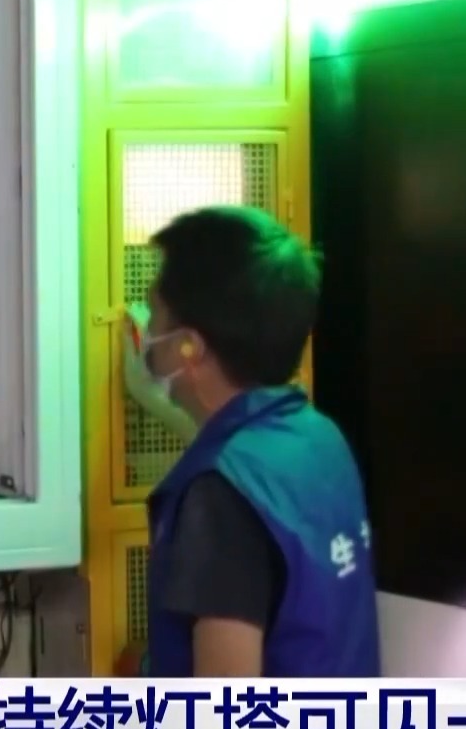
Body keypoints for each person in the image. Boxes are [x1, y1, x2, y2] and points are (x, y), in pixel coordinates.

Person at [123, 205, 379, 678]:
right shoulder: (320, 438)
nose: (146, 331)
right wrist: (160, 404)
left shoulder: (219, 500)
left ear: (189, 346)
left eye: (154, 314)